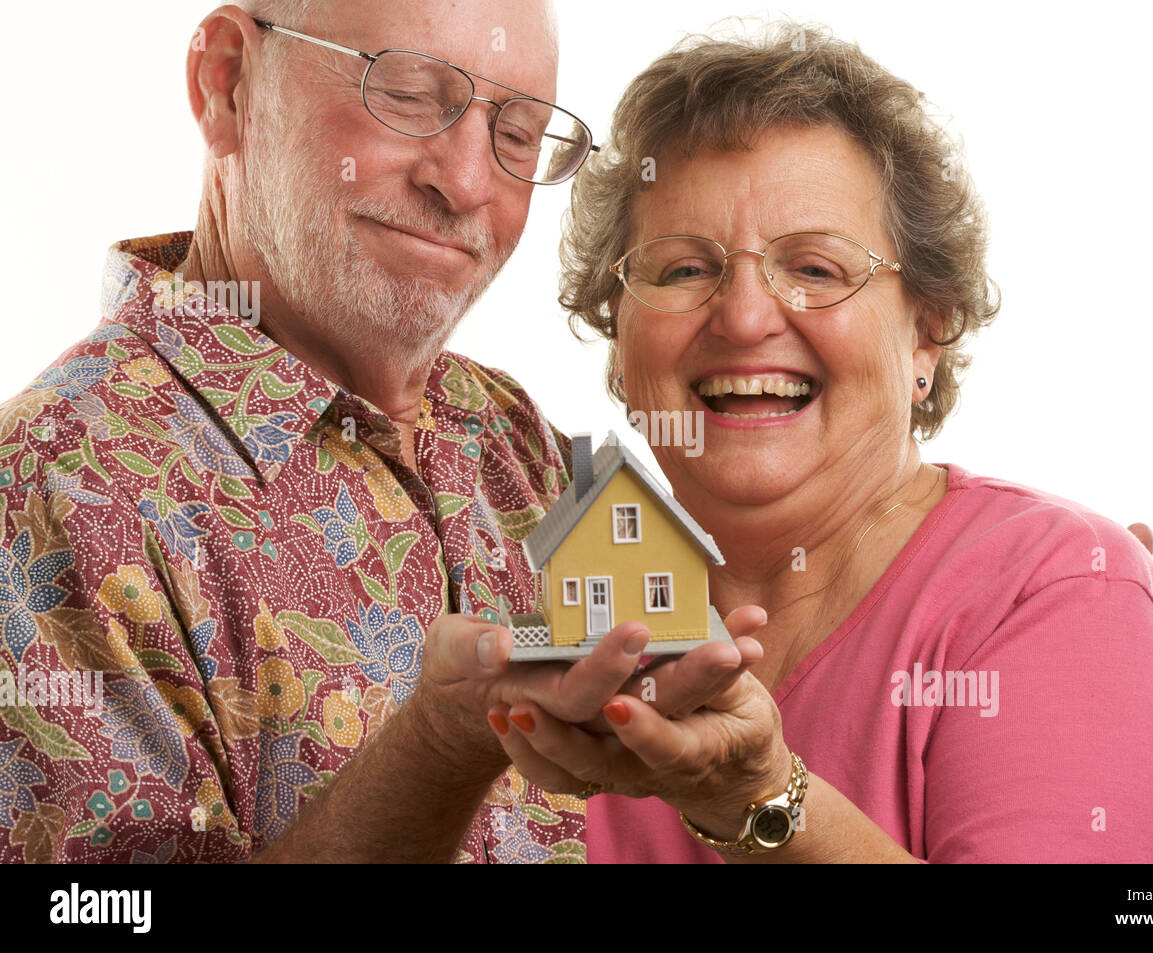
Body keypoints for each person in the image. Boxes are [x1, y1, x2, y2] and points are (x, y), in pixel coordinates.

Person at [0, 0, 750, 863]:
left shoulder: (519, 441)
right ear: (227, 83)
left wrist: (744, 785)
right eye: (405, 93)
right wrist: (440, 744)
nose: (466, 182)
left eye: (518, 132)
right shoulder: (51, 487)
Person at [487, 23, 1153, 862]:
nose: (745, 316)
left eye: (816, 268)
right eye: (682, 270)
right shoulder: (563, 632)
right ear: (619, 331)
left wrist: (760, 801)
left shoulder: (1063, 596)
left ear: (926, 333)